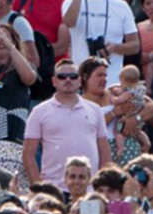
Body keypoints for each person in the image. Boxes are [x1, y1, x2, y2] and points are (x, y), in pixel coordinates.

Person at [23, 60, 111, 189]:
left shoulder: (95, 109)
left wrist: (102, 185)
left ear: (80, 81)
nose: (68, 80)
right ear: (54, 81)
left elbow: (104, 150)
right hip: (53, 190)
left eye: (73, 76)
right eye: (62, 77)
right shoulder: (39, 111)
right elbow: (28, 153)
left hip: (89, 190)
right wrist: (38, 187)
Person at [61, 0, 140, 85]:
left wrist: (115, 48)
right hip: (81, 77)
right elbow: (68, 23)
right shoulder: (71, 2)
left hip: (111, 79)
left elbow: (135, 46)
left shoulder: (121, 6)